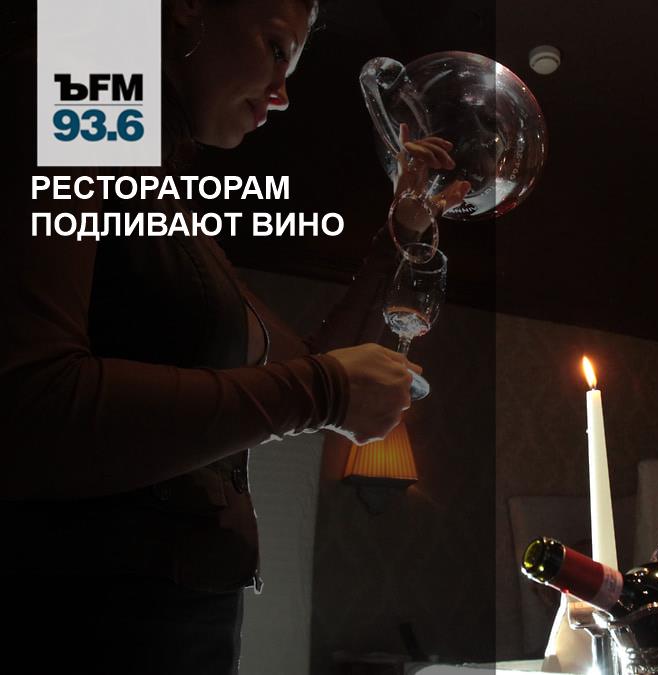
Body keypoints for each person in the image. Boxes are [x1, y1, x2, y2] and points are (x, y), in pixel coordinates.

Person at [0, 1, 467, 672]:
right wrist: (322, 391)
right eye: (276, 49)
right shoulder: (81, 73)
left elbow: (309, 364)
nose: (282, 95)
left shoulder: (155, 191)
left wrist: (404, 228)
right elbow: (30, 406)